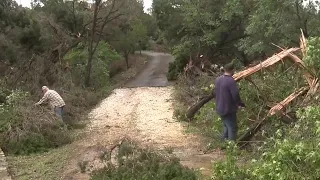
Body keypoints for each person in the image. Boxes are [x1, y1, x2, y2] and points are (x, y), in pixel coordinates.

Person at [214, 63, 245, 141]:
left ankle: (223, 144)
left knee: (226, 126)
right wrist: (240, 104)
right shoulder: (230, 81)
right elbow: (235, 94)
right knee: (232, 127)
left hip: (219, 107)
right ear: (232, 70)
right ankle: (231, 146)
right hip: (228, 109)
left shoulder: (218, 79)